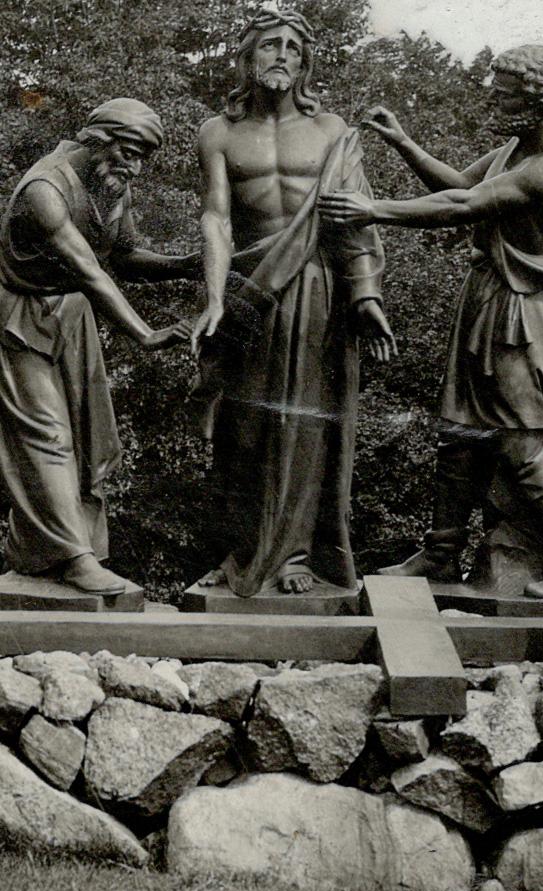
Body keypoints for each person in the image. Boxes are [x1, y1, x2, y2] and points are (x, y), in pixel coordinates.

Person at [319, 44, 543, 600]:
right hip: (490, 300)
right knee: (461, 436)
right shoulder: (523, 144)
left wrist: (373, 210)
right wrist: (403, 143)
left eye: (502, 93)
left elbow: (463, 208)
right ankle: (442, 553)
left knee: (522, 444)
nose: (492, 101)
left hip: (523, 314)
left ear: (534, 99)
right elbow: (458, 185)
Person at [191, 9, 394, 598]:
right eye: (269, 45)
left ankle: (297, 556)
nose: (282, 55)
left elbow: (353, 217)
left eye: (293, 49)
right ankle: (238, 553)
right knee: (242, 424)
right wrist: (212, 298)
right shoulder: (218, 132)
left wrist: (367, 294)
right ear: (248, 56)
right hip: (248, 292)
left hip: (315, 288)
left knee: (303, 425)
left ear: (305, 64)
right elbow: (216, 216)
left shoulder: (332, 131)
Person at [0, 98, 193, 596]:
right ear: (97, 141)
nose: (135, 166)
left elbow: (123, 257)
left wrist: (186, 263)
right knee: (46, 436)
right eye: (129, 152)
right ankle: (75, 560)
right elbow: (92, 273)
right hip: (20, 319)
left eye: (143, 156)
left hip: (69, 317)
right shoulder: (45, 191)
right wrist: (145, 334)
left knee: (87, 439)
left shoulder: (109, 188)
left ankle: (39, 558)